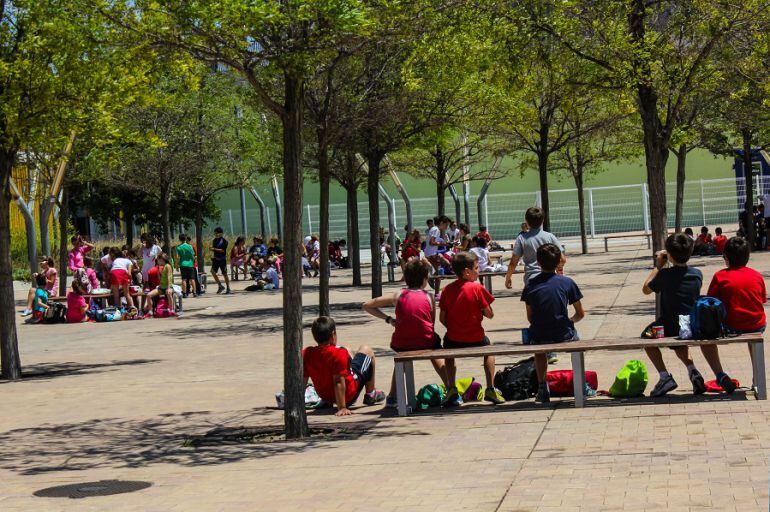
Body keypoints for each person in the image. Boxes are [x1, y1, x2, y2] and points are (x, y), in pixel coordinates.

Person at [641, 233, 732, 397]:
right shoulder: (697, 274)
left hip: (668, 326)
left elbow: (646, 289)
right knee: (679, 341)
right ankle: (693, 371)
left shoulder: (664, 275)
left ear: (669, 254)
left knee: (646, 338)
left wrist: (658, 266)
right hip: (690, 325)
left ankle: (664, 377)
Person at [363, 259, 449, 407]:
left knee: (401, 360)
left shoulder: (398, 295)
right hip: (425, 341)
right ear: (425, 279)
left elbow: (367, 305)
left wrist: (388, 319)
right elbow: (431, 323)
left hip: (402, 343)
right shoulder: (429, 297)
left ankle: (392, 396)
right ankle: (450, 387)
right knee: (435, 352)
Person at [439, 251, 505, 406]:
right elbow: (490, 314)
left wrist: (455, 326)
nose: (479, 271)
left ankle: (452, 388)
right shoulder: (477, 288)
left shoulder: (447, 290)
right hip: (476, 338)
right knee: (489, 351)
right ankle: (490, 388)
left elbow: (442, 318)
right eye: (476, 268)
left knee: (448, 353)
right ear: (466, 272)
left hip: (453, 338)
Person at [521, 244, 585, 403]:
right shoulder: (567, 282)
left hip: (539, 335)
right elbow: (580, 314)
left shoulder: (530, 285)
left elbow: (530, 317)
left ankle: (542, 387)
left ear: (538, 262)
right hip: (563, 333)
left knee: (539, 347)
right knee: (577, 340)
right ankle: (581, 384)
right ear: (558, 263)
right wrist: (569, 321)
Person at [707, 236, 767, 377]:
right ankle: (757, 375)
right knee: (752, 335)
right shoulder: (756, 275)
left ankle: (720, 376)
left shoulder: (720, 276)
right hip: (757, 324)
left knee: (704, 338)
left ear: (726, 257)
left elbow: (711, 303)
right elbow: (762, 300)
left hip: (731, 326)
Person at [302, 316, 386, 416]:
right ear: (333, 334)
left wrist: (298, 403)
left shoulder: (306, 353)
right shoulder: (338, 353)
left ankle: (363, 392)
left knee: (348, 350)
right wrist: (342, 407)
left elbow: (303, 380)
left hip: (325, 396)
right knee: (367, 350)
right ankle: (371, 394)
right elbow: (338, 381)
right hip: (348, 396)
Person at [506, 207, 566, 289]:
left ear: (526, 221)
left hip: (531, 279)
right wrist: (558, 268)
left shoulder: (522, 238)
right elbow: (563, 259)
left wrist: (508, 277)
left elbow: (513, 262)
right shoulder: (550, 237)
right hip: (550, 279)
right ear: (542, 220)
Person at [210, 227, 232, 294]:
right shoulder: (214, 240)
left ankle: (228, 287)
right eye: (215, 233)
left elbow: (223, 250)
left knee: (224, 274)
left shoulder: (224, 241)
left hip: (222, 260)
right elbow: (215, 249)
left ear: (221, 233)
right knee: (213, 272)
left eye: (217, 233)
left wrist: (214, 249)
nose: (216, 234)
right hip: (216, 259)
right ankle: (220, 285)